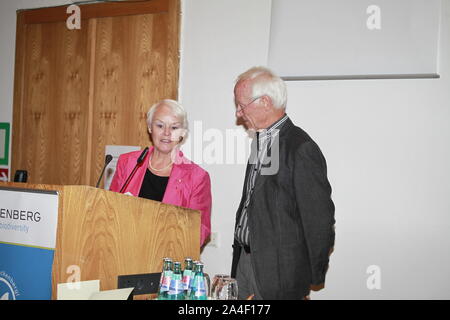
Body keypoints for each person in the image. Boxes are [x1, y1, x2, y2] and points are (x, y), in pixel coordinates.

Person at [230, 66, 335, 299]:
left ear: (265, 102)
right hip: (245, 264)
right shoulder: (260, 142)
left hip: (278, 275)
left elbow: (319, 220)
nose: (238, 113)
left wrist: (308, 277)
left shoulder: (300, 147)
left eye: (242, 105)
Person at [109, 99, 212, 247]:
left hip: (166, 257)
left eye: (174, 127)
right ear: (150, 127)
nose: (167, 133)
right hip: (123, 249)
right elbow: (110, 208)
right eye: (160, 125)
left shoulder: (197, 177)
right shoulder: (128, 162)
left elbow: (200, 230)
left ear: (182, 133)